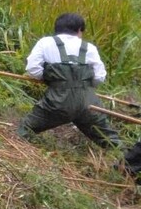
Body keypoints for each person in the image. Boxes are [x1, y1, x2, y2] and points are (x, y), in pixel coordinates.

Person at [17, 12, 120, 149]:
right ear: (79, 30)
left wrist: (51, 80)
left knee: (24, 130)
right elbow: (100, 77)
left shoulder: (46, 42)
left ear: (57, 29)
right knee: (110, 141)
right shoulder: (89, 48)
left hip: (57, 103)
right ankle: (126, 163)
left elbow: (33, 69)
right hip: (88, 104)